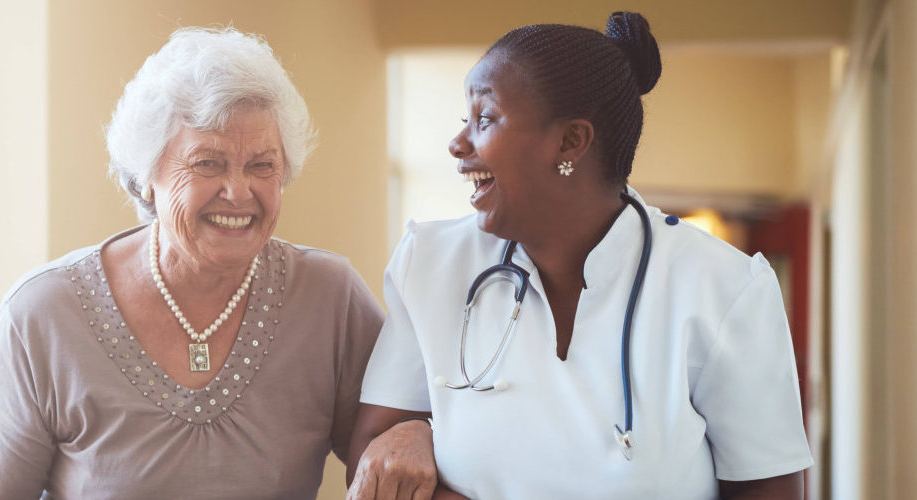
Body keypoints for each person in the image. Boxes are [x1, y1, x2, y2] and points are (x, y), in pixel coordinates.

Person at [346, 12, 811, 500]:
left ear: (571, 141)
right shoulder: (430, 265)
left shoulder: (724, 287)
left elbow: (769, 489)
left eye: (484, 118)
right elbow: (371, 463)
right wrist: (410, 433)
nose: (458, 143)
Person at [0, 27, 383, 499]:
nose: (238, 192)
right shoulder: (45, 314)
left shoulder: (329, 298)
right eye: (207, 163)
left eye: (261, 165)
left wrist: (412, 433)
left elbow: (405, 436)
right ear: (147, 174)